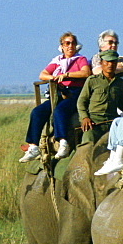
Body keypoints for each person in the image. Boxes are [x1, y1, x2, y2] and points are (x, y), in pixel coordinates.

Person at [20, 32, 91, 163]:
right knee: (37, 112)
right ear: (62, 46)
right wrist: (53, 78)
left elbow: (86, 72)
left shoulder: (80, 59)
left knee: (60, 110)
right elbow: (42, 74)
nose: (70, 46)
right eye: (67, 43)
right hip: (57, 92)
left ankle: (63, 142)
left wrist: (67, 75)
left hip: (74, 93)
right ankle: (33, 146)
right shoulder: (57, 61)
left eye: (73, 43)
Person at [77, 49, 123, 154]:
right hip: (94, 122)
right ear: (101, 63)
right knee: (87, 145)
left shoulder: (120, 83)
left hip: (112, 123)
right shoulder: (92, 80)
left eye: (113, 62)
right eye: (107, 62)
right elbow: (81, 101)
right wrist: (85, 117)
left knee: (121, 148)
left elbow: (121, 104)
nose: (110, 65)